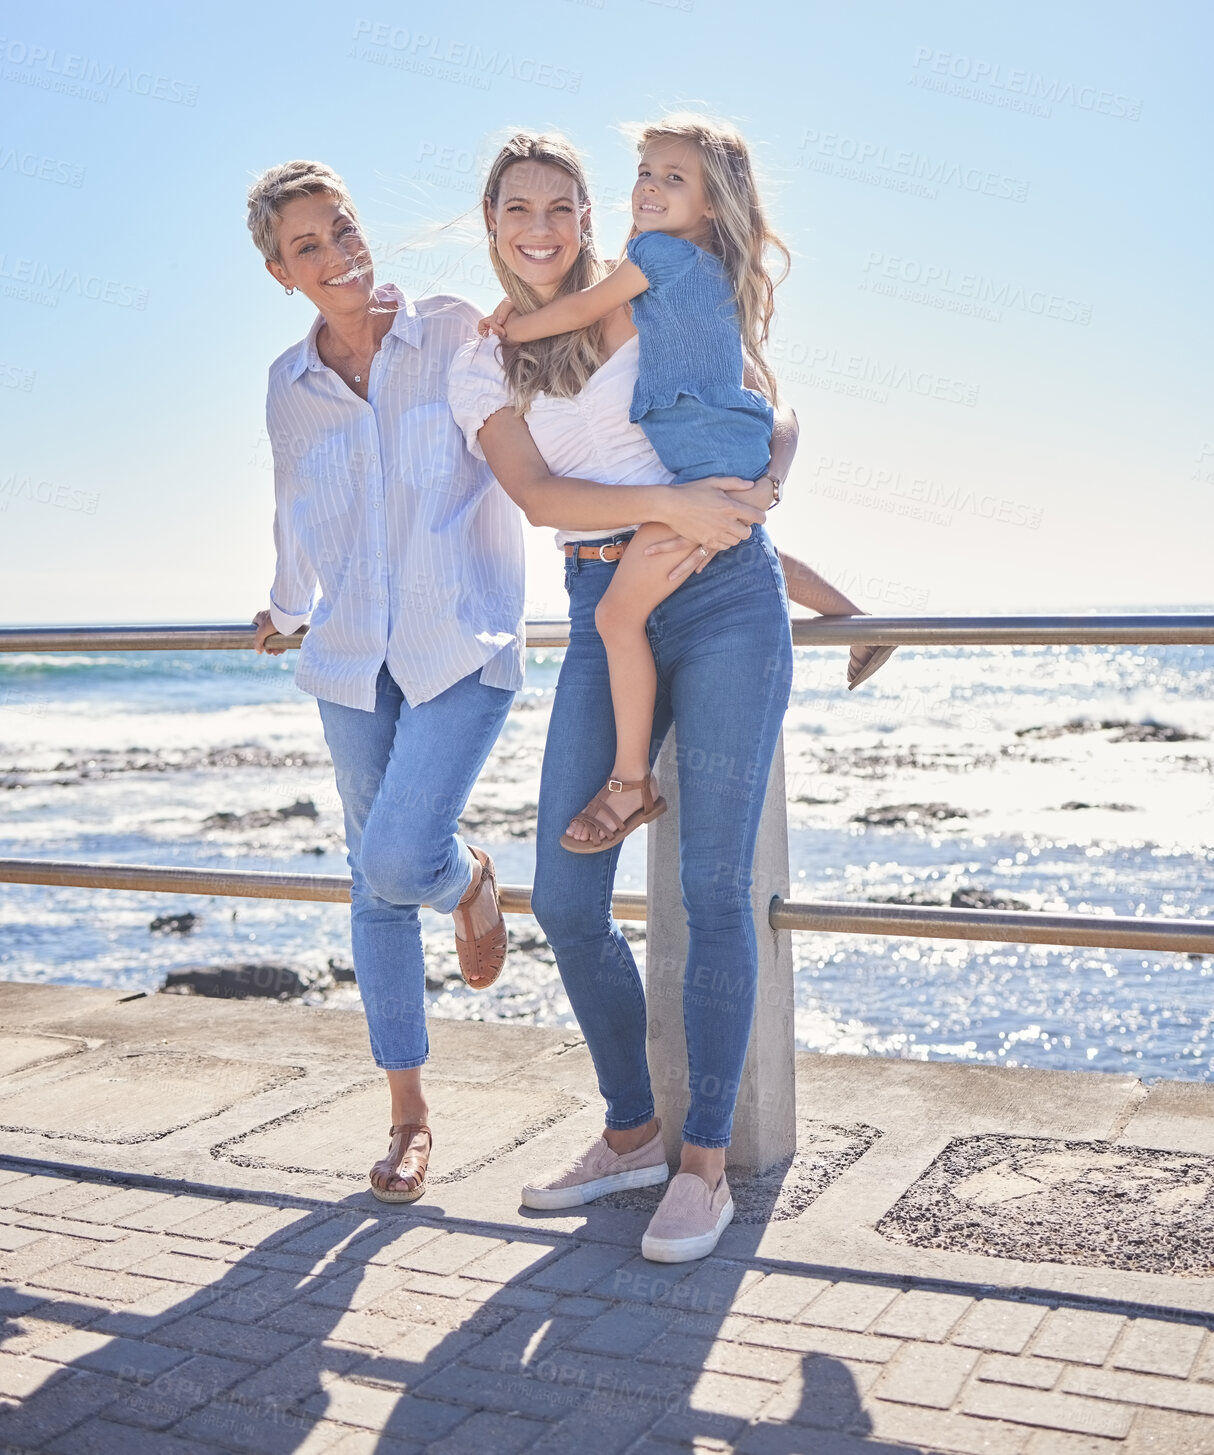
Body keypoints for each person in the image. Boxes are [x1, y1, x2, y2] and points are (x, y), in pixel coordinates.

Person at [449, 130, 830, 1262]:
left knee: (715, 890)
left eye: (561, 206)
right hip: (603, 600)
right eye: (518, 209)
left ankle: (703, 1167)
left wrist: (755, 491)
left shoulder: (652, 286)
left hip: (723, 603)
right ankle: (631, 1133)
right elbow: (536, 496)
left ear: (585, 216)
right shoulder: (486, 357)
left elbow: (771, 404)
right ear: (491, 223)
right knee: (566, 902)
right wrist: (671, 512)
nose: (541, 229)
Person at [481, 115, 894, 855]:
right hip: (716, 464)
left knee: (616, 619)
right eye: (645, 173)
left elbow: (579, 308)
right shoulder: (701, 272)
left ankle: (632, 780)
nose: (649, 187)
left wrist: (511, 329)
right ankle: (861, 619)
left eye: (674, 178)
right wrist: (761, 479)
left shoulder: (655, 260)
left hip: (707, 469)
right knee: (739, 538)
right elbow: (767, 406)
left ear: (710, 204)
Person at [247, 160, 524, 1205]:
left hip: (461, 639)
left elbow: (528, 429)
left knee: (403, 858)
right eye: (308, 245)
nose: (336, 253)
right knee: (373, 888)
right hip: (350, 656)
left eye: (343, 227)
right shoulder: (289, 384)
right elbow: (291, 504)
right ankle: (408, 1117)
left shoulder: (453, 330)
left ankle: (470, 880)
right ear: (282, 273)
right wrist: (283, 607)